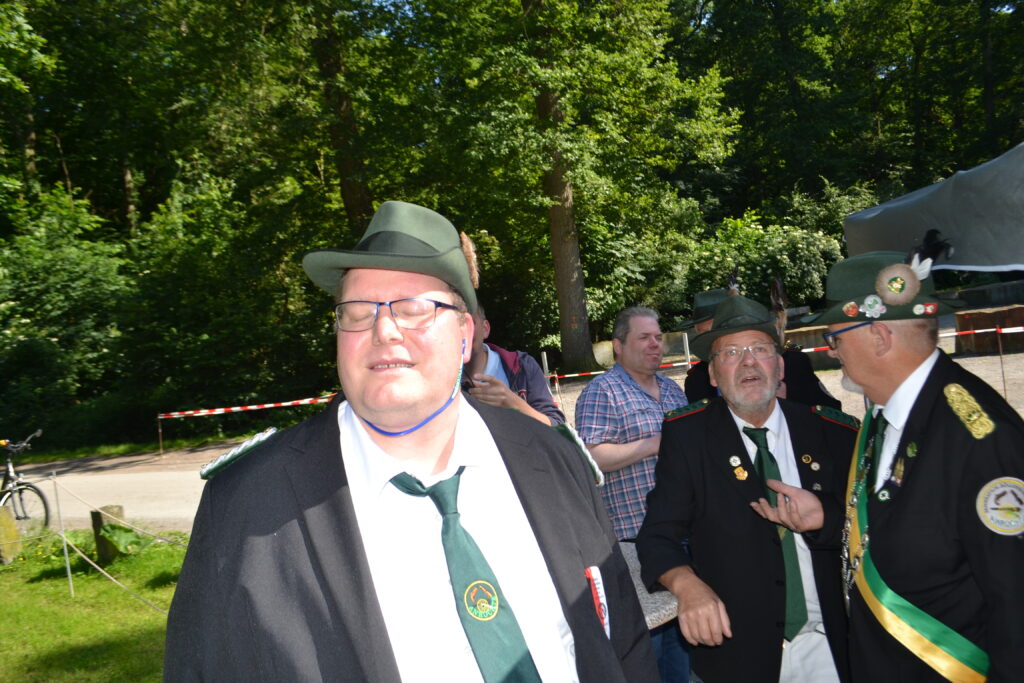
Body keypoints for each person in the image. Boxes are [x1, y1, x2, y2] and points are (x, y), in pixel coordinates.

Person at [164, 201, 658, 682]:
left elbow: (625, 644)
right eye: (357, 311)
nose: (383, 329)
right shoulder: (248, 504)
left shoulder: (550, 456)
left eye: (414, 308)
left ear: (465, 334)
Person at [752, 250, 1024, 682]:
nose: (832, 351)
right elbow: (905, 526)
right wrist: (827, 517)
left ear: (878, 336)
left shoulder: (981, 438)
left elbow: (1015, 601)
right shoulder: (884, 415)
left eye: (835, 338)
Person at [637, 294, 857, 683]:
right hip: (740, 649)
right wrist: (687, 586)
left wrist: (825, 518)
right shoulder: (688, 437)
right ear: (712, 374)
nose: (748, 362)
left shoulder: (833, 432)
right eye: (731, 353)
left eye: (760, 349)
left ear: (780, 365)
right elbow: (658, 536)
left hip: (833, 644)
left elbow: (876, 532)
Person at [574, 306, 690, 681]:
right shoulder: (602, 391)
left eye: (658, 337)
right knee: (648, 651)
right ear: (618, 346)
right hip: (633, 541)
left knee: (682, 648)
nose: (655, 344)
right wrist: (652, 444)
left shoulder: (673, 389)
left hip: (683, 536)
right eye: (644, 337)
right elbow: (591, 458)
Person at [684, 288, 841, 410]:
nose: (711, 341)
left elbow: (831, 412)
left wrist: (789, 398)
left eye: (716, 331)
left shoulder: (793, 362)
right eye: (702, 334)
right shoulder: (695, 380)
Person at [464, 303, 566, 425]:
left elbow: (557, 426)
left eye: (469, 322)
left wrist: (514, 403)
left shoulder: (523, 367)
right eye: (455, 325)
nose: (463, 331)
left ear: (485, 329)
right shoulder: (445, 382)